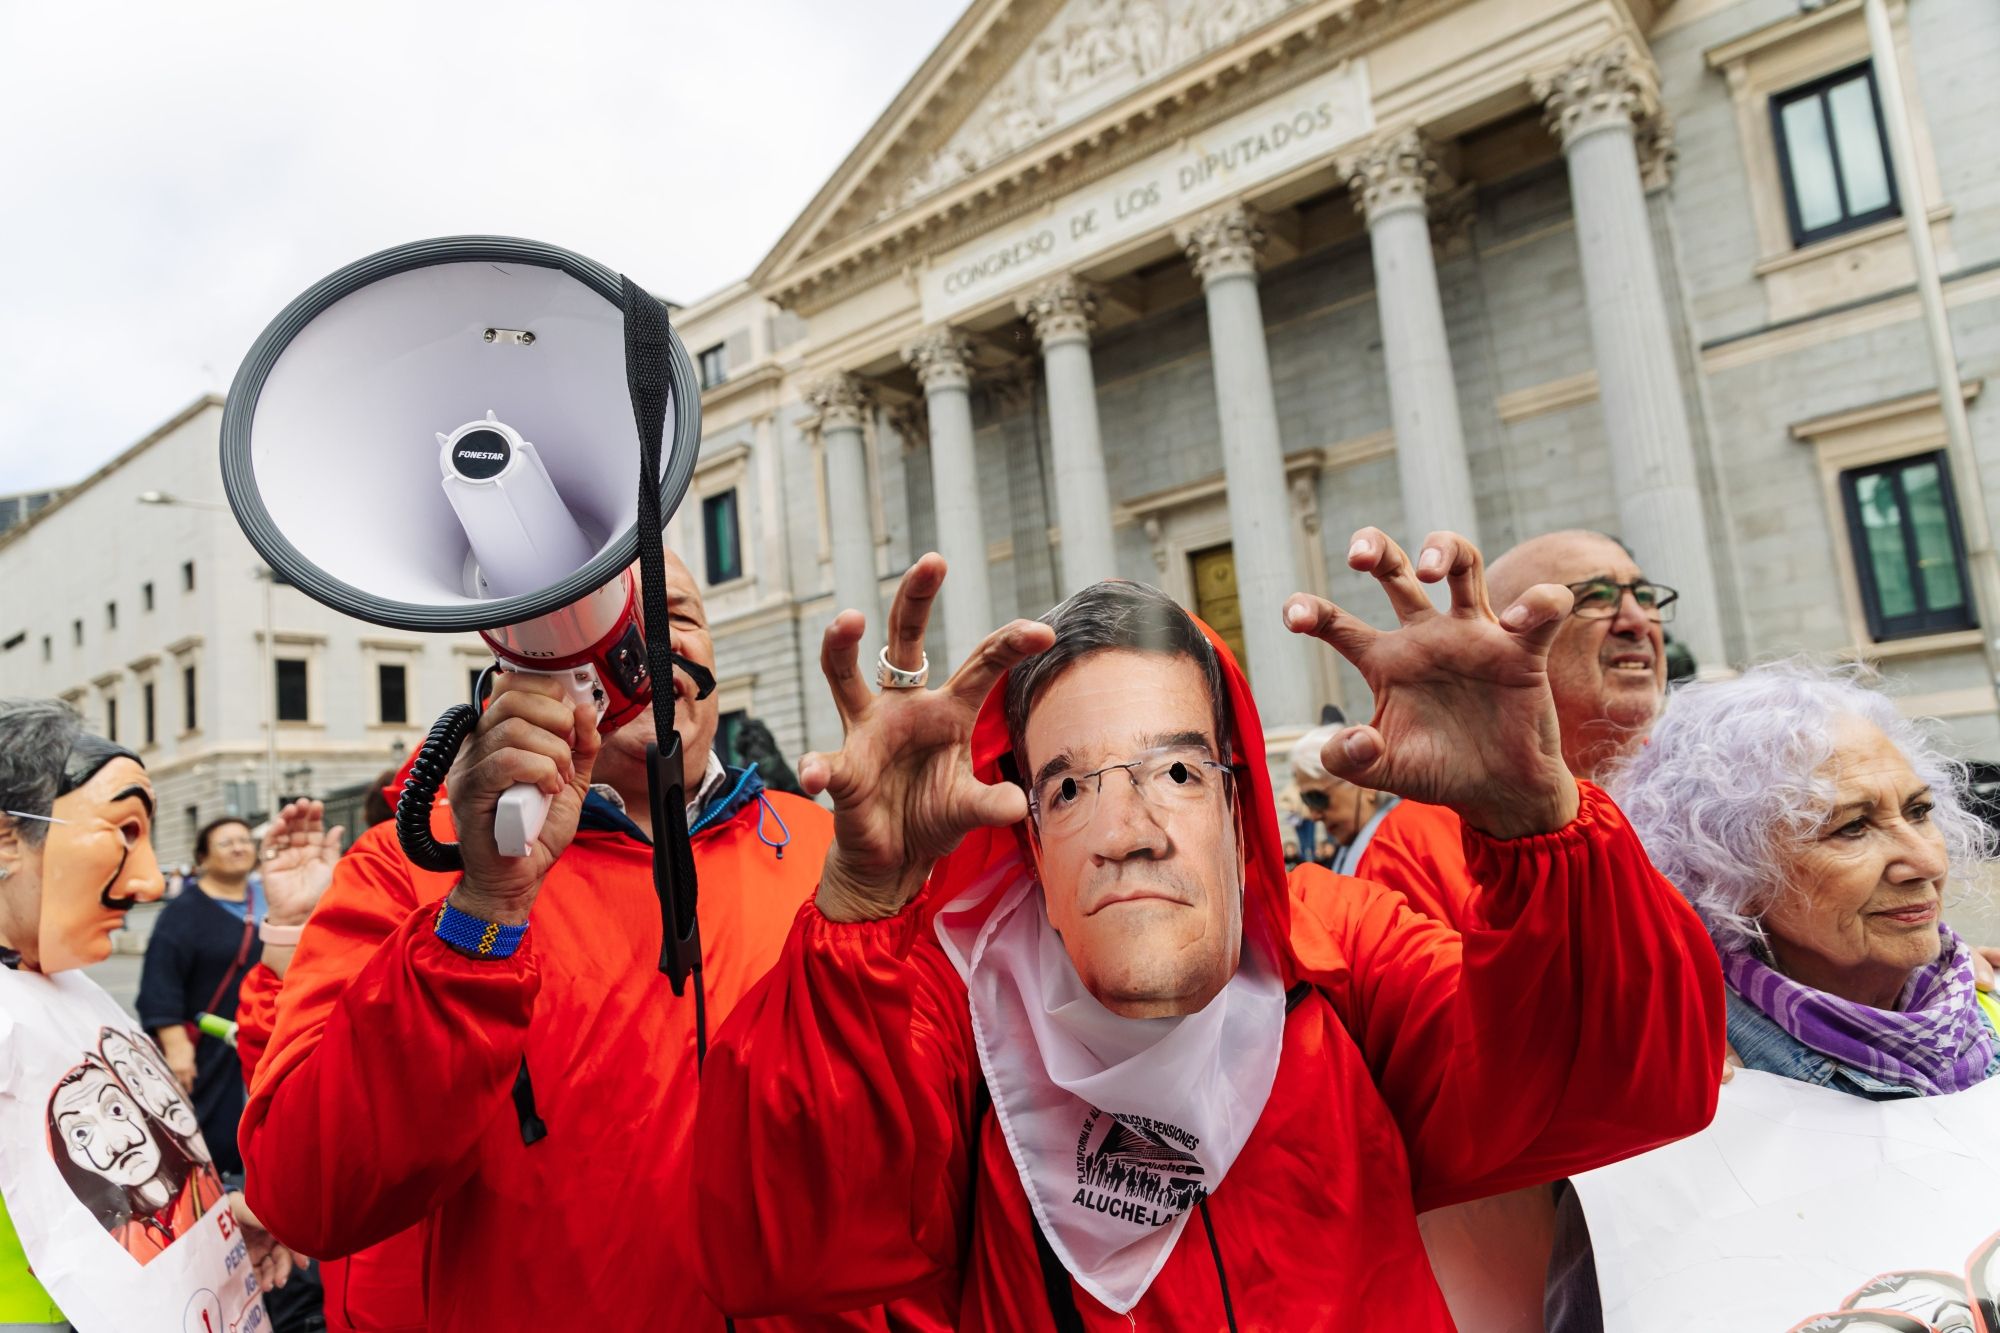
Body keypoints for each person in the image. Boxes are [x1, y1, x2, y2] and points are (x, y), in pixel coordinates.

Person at [681, 531, 1725, 1328]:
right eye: (1072, 786)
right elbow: (780, 1242)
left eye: (1177, 771)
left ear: (1237, 807)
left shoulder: (1340, 960)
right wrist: (862, 911)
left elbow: (1616, 1083)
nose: (1129, 832)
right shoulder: (948, 1023)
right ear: (1025, 834)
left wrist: (1534, 820)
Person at [239, 550, 945, 1332]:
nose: (643, 645)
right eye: (599, 619)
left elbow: (940, 1172)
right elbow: (306, 1194)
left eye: (675, 616)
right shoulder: (411, 864)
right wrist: (483, 909)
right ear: (527, 656)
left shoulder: (837, 850)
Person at [1546, 661, 2000, 1329]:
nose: (1925, 861)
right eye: (1852, 827)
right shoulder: (1658, 1111)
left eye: (1919, 810)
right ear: (1730, 874)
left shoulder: (1984, 1015)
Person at [0, 699, 297, 1330]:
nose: (150, 884)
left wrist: (212, 1222)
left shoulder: (58, 984)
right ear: (5, 839)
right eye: (123, 832)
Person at [137, 815, 265, 1177]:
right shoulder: (183, 913)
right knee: (211, 1133)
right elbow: (160, 983)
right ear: (203, 858)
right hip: (208, 1048)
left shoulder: (269, 899)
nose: (239, 847)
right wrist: (176, 1044)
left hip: (258, 1039)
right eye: (226, 843)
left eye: (245, 840)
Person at [1287, 723, 1397, 873]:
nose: (1314, 815)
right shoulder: (1364, 843)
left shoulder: (1395, 846)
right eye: (1305, 801)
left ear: (1367, 784)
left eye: (1316, 797)